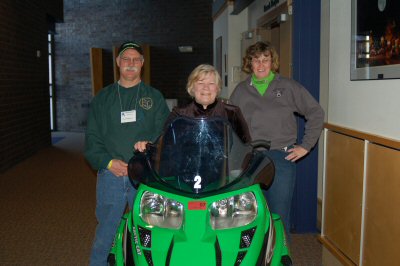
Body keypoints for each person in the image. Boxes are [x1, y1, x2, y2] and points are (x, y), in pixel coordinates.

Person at [84, 41, 170, 265]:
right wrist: (109, 162)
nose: (130, 63)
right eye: (125, 59)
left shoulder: (155, 98)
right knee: (105, 236)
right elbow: (92, 141)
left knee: (149, 236)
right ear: (118, 63)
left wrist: (150, 146)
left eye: (135, 59)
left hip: (145, 178)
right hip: (111, 176)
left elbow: (165, 137)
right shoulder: (103, 99)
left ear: (142, 63)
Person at [230, 41, 324, 234]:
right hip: (250, 159)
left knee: (279, 215)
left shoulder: (288, 87)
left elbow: (316, 112)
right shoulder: (240, 91)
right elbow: (231, 125)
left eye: (266, 60)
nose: (261, 65)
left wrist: (306, 146)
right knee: (250, 214)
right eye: (256, 60)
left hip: (281, 158)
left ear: (273, 62)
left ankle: (281, 260)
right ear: (250, 63)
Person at [134, 64, 251, 152]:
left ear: (217, 88)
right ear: (192, 87)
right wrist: (148, 145)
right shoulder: (179, 115)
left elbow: (246, 148)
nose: (206, 88)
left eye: (211, 83)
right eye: (200, 83)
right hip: (186, 178)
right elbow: (163, 144)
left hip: (224, 178)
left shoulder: (232, 113)